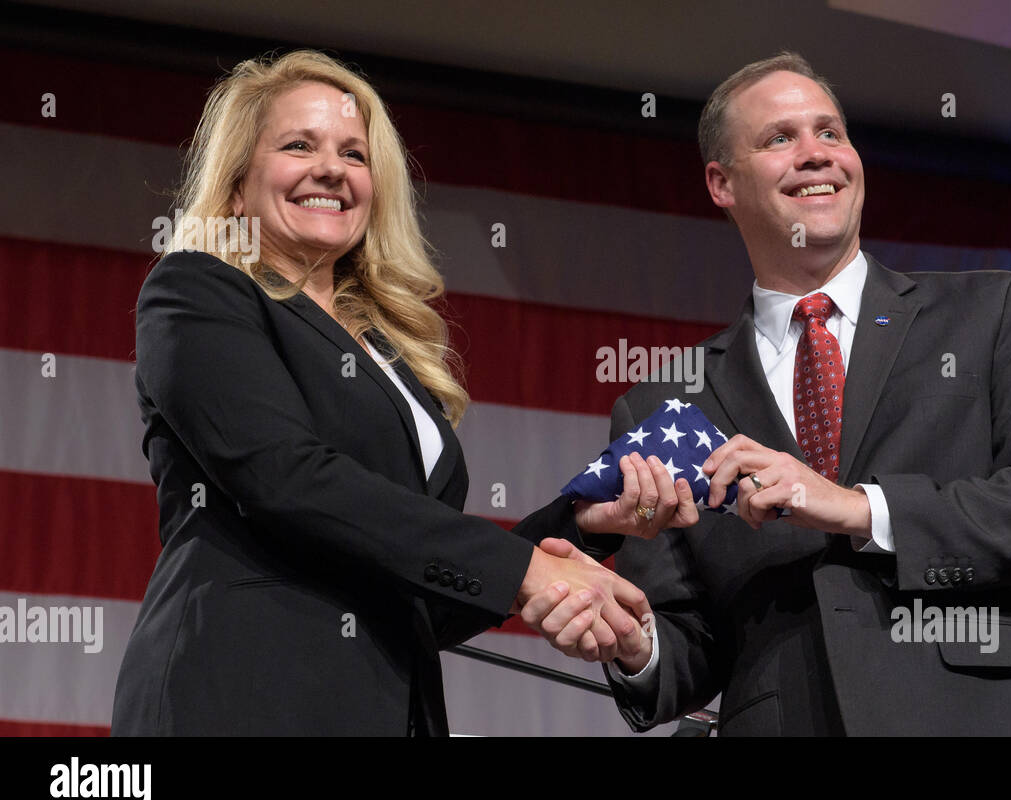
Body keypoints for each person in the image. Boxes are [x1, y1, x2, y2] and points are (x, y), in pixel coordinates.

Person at [111, 50, 696, 736]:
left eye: (354, 154)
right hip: (241, 696)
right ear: (238, 186)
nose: (332, 168)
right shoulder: (197, 290)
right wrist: (524, 570)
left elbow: (414, 583)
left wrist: (576, 526)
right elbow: (288, 478)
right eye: (299, 145)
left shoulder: (384, 351)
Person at [522, 52, 1011, 735]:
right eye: (780, 139)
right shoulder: (664, 403)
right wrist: (636, 641)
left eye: (831, 133)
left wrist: (857, 507)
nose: (816, 155)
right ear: (721, 182)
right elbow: (692, 643)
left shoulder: (997, 311)